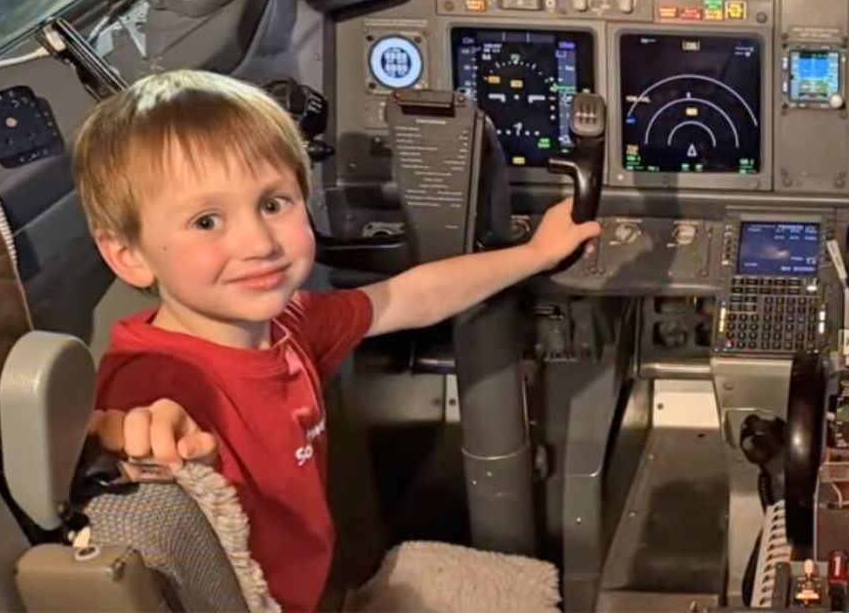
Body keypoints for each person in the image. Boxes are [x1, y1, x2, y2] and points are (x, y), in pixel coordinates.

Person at [73, 69, 600, 611]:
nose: (258, 242)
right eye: (207, 221)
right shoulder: (154, 385)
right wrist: (138, 445)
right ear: (126, 255)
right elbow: (136, 455)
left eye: (273, 203)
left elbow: (409, 296)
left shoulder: (289, 323)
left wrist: (535, 254)